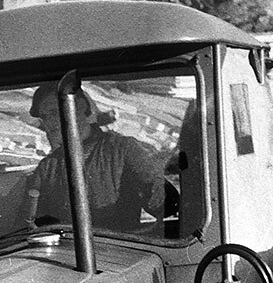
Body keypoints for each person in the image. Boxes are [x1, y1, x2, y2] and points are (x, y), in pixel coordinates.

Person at [26, 82, 167, 233]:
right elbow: (31, 225)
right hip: (67, 252)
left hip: (118, 249)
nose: (50, 123)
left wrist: (158, 189)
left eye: (54, 113)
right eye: (45, 117)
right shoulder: (47, 168)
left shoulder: (122, 150)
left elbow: (160, 204)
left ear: (80, 107)